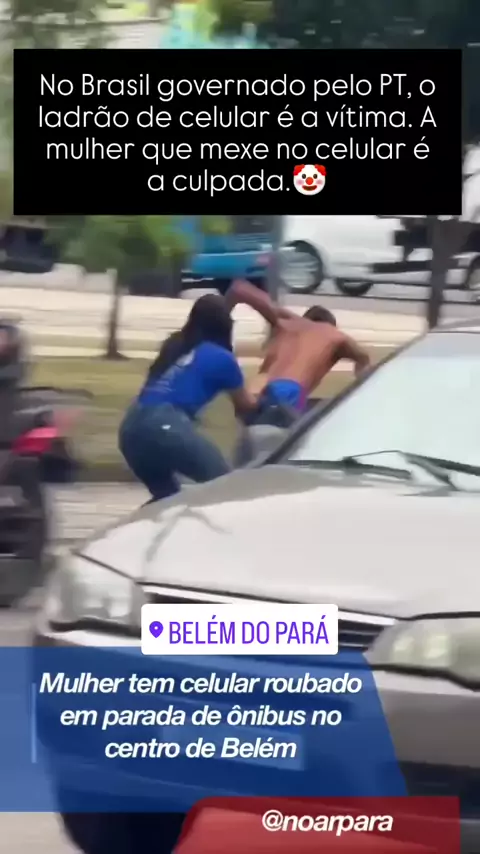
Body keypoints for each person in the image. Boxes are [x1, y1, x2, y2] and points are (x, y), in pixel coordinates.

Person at [119, 294, 257, 500]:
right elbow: (246, 406)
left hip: (130, 428)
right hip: (165, 425)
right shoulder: (223, 358)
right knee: (225, 488)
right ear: (226, 326)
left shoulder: (174, 347)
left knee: (167, 501)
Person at [226, 279, 371, 421]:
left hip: (255, 389)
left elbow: (238, 288)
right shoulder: (334, 335)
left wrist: (222, 330)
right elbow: (364, 358)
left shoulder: (288, 323)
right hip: (290, 390)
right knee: (302, 428)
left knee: (254, 431)